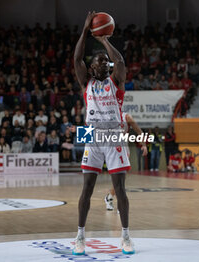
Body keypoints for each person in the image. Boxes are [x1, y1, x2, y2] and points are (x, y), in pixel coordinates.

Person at [72, 11, 134, 255]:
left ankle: (126, 236)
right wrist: (86, 30)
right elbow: (77, 59)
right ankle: (80, 236)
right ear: (92, 67)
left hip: (114, 133)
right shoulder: (86, 82)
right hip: (91, 133)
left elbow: (120, 62)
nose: (104, 64)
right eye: (99, 62)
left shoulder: (116, 81)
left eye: (105, 62)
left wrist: (104, 40)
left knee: (119, 187)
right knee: (86, 187)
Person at [104, 112, 148, 211]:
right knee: (117, 178)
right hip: (110, 148)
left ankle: (110, 197)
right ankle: (117, 202)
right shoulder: (105, 114)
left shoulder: (126, 117)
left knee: (121, 178)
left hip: (124, 149)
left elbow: (139, 131)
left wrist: (144, 145)